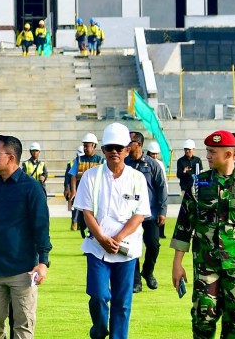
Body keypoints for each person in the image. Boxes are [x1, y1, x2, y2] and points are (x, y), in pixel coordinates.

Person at [171, 129, 235, 339]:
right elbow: (184, 224)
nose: (207, 155)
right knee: (203, 319)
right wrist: (177, 263)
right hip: (205, 265)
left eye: (212, 152)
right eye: (208, 151)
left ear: (228, 154)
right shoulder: (199, 184)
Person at [0, 136, 51, 339]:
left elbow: (41, 227)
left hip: (23, 271)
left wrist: (43, 262)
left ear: (10, 157)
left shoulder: (32, 188)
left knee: (23, 328)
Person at [73, 123, 150, 339]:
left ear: (127, 149)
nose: (114, 152)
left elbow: (139, 214)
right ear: (103, 150)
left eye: (119, 147)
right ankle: (99, 330)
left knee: (122, 303)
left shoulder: (137, 178)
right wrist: (102, 238)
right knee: (98, 295)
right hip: (97, 248)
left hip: (126, 249)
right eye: (109, 148)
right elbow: (86, 213)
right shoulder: (90, 177)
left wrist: (117, 238)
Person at [125, 131, 167, 294]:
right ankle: (136, 281)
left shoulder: (152, 164)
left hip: (149, 213)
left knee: (153, 245)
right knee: (131, 247)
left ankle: (148, 271)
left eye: (131, 142)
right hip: (130, 214)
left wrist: (162, 211)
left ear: (139, 144)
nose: (127, 145)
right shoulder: (125, 163)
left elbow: (162, 188)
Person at [69, 133, 104, 237]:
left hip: (95, 195)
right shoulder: (79, 160)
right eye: (84, 146)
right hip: (82, 194)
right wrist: (74, 191)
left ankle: (92, 237)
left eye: (87, 146)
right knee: (82, 220)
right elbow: (73, 176)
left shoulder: (100, 160)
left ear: (93, 146)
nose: (84, 148)